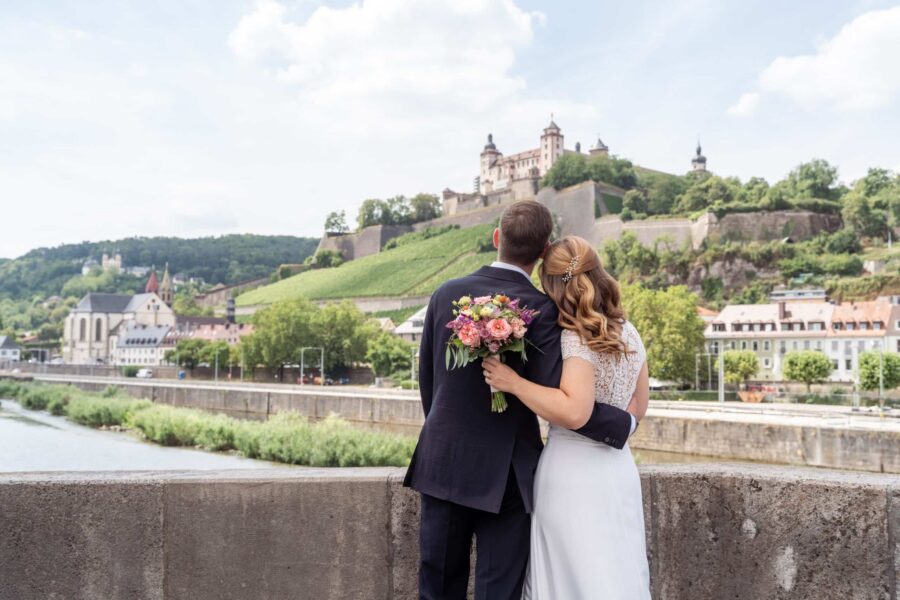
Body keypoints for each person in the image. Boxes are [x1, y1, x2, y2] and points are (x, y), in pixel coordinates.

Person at [403, 201, 640, 600]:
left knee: (438, 585)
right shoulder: (545, 311)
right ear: (544, 249)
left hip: (444, 463)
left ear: (497, 238)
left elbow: (429, 381)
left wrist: (447, 435)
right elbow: (560, 397)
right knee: (500, 590)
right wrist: (625, 423)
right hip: (509, 477)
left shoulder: (445, 294)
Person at [483, 234, 651, 599]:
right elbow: (639, 404)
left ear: (553, 285)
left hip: (572, 474)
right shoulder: (630, 331)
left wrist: (512, 383)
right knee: (616, 572)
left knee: (572, 576)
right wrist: (626, 426)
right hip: (619, 470)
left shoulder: (575, 337)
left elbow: (576, 411)